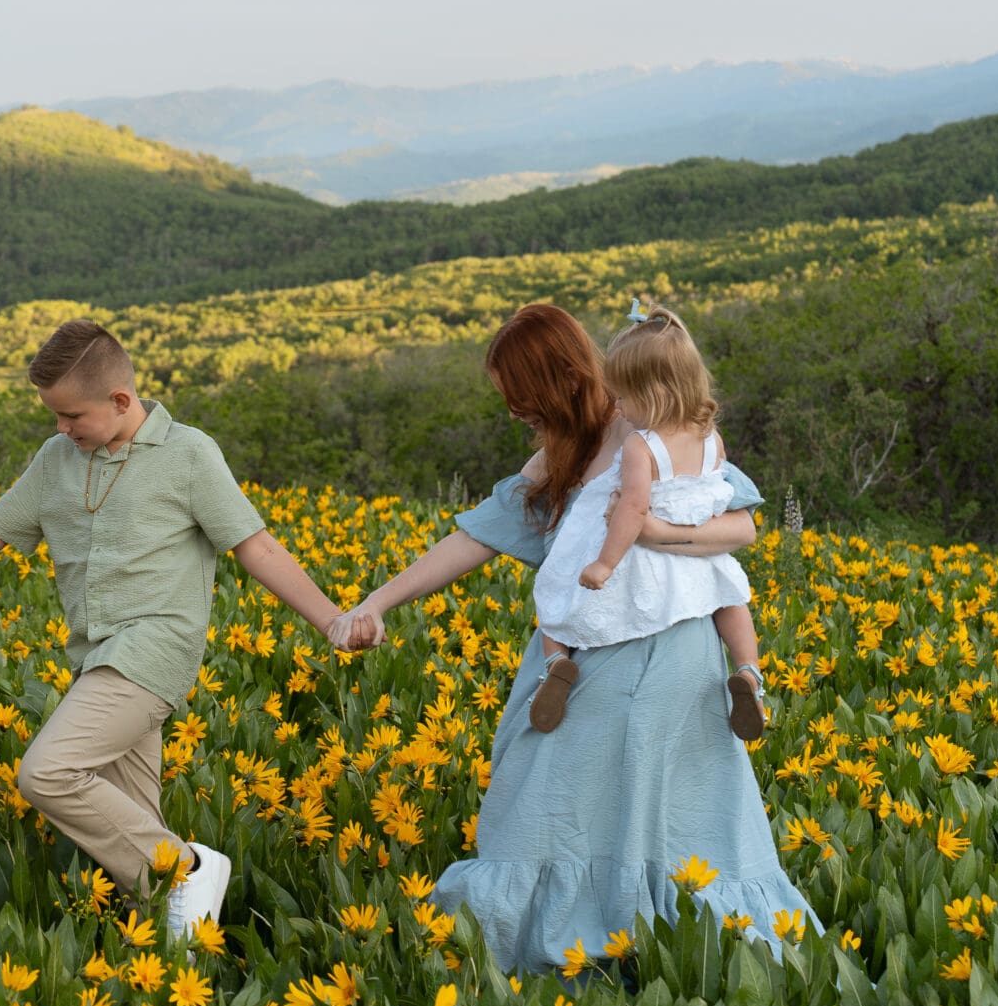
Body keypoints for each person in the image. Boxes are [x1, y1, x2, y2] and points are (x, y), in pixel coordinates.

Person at [331, 302, 818, 971]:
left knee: (583, 806)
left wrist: (656, 534)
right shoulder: (559, 455)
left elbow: (743, 526)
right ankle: (654, 947)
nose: (512, 411)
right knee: (621, 812)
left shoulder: (645, 430)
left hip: (642, 651)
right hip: (631, 649)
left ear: (558, 377)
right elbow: (473, 537)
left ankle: (604, 948)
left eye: (520, 395)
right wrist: (376, 601)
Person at [0, 319, 346, 942]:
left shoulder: (190, 454)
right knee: (134, 820)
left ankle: (190, 866)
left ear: (122, 401)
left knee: (47, 772)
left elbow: (255, 548)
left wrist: (333, 618)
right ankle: (174, 946)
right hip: (95, 657)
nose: (61, 429)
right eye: (55, 417)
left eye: (72, 416)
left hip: (153, 649)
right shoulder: (56, 459)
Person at [526, 307, 767, 737]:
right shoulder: (710, 435)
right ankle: (749, 672)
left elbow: (634, 510)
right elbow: (719, 489)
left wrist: (604, 564)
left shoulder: (642, 446)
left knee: (556, 598)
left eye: (623, 397)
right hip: (701, 552)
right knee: (730, 600)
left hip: (644, 554)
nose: (616, 406)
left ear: (653, 393)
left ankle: (556, 664)